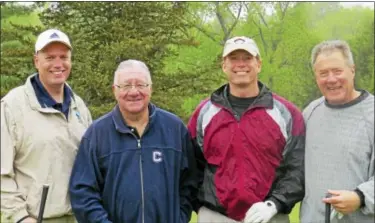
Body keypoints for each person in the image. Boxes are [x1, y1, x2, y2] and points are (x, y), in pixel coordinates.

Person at [187, 36, 306, 223]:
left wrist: (274, 204)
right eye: (234, 58)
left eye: (247, 58)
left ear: (258, 64)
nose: (240, 64)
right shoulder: (203, 113)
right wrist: (201, 207)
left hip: (270, 215)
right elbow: (192, 167)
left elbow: (297, 169)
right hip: (216, 216)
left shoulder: (287, 113)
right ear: (224, 65)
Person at [68, 59, 197, 223]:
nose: (134, 91)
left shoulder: (175, 129)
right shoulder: (97, 134)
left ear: (151, 88)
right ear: (114, 90)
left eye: (141, 85)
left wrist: (179, 218)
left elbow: (189, 184)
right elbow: (83, 193)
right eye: (126, 85)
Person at [1, 29, 92, 223]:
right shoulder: (12, 107)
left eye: (63, 57)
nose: (58, 64)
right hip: (34, 219)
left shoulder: (79, 106)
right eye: (50, 57)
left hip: (78, 217)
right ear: (36, 61)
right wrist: (21, 217)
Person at [300, 40, 374, 223]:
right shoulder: (310, 113)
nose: (331, 79)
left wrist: (361, 197)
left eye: (337, 71)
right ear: (315, 76)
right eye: (323, 73)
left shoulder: (371, 114)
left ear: (352, 70)